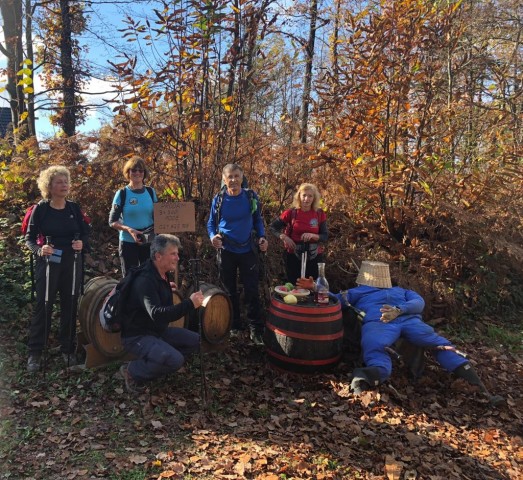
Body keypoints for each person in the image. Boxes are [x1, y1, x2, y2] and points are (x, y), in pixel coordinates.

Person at [297, 261, 504, 406]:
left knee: (383, 346)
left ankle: (367, 376)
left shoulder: (363, 291)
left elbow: (334, 298)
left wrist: (399, 311)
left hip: (386, 320)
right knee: (438, 344)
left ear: (364, 278)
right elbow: (418, 303)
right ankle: (480, 388)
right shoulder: (395, 291)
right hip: (394, 320)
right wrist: (315, 286)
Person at [119, 234, 204, 393]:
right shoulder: (145, 280)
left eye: (177, 254)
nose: (177, 258)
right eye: (173, 254)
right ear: (158, 256)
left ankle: (160, 360)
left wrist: (165, 289)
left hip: (157, 331)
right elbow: (157, 313)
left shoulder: (161, 273)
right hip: (137, 335)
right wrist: (189, 304)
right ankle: (132, 371)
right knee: (176, 359)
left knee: (195, 341)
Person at [25, 165, 90, 372]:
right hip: (48, 263)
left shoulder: (73, 208)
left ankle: (67, 348)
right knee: (44, 304)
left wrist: (83, 244)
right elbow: (29, 239)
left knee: (70, 303)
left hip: (72, 261)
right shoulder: (41, 209)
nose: (64, 185)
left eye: (66, 181)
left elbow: (86, 234)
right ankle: (35, 352)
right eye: (59, 182)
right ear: (49, 186)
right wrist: (39, 249)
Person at [206, 163, 268, 346]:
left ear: (242, 177)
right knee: (229, 290)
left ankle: (256, 329)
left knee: (252, 290)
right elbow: (211, 224)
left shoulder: (250, 196)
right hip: (226, 250)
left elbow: (258, 220)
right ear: (224, 180)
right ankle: (233, 326)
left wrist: (263, 238)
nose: (233, 180)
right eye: (229, 177)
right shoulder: (218, 200)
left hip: (248, 249)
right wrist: (212, 237)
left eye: (236, 176)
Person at [109, 156, 158, 277]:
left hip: (148, 242)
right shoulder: (122, 194)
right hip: (128, 242)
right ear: (128, 172)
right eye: (134, 170)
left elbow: (159, 217)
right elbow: (112, 221)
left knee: (149, 276)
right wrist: (129, 230)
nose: (137, 173)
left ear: (144, 173)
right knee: (130, 279)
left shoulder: (151, 192)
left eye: (140, 170)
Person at [270, 183, 328, 284]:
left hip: (314, 256)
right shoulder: (291, 213)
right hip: (294, 255)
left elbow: (325, 236)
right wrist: (284, 237)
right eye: (304, 195)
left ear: (314, 198)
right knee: (294, 286)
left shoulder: (319, 213)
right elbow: (273, 227)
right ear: (299, 196)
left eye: (310, 196)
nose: (306, 199)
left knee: (312, 286)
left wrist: (313, 236)